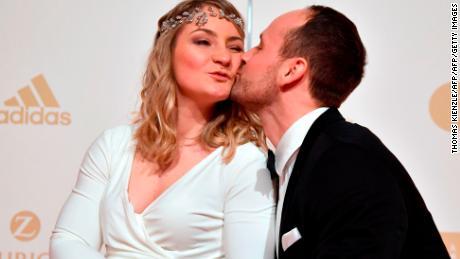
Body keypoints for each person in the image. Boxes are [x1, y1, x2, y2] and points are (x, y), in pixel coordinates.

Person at [50, 1, 276, 258]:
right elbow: (67, 241)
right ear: (167, 52)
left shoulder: (244, 162)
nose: (224, 58)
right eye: (203, 42)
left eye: (235, 47)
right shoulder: (114, 145)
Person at [231, 5, 450, 259]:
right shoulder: (310, 159)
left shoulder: (347, 161)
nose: (244, 57)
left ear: (292, 70)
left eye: (260, 46)